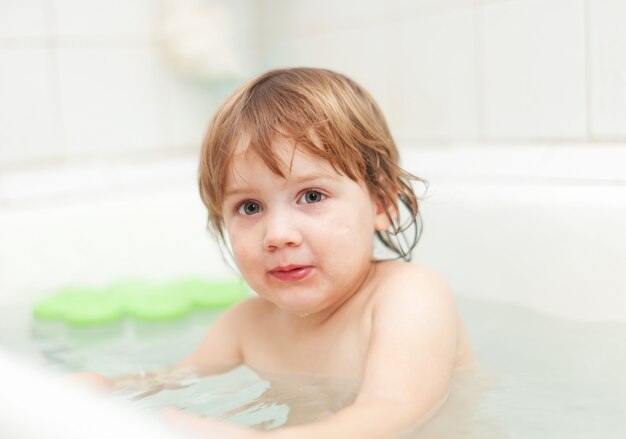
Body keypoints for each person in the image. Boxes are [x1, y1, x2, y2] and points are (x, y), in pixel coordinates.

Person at [76, 67, 474, 438]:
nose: (277, 235)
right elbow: (173, 385)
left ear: (383, 204)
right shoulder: (245, 325)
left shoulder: (408, 296)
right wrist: (108, 389)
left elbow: (394, 408)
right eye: (249, 207)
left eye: (312, 195)